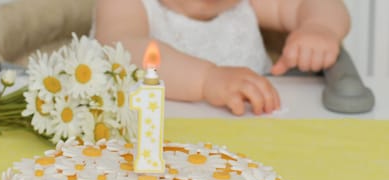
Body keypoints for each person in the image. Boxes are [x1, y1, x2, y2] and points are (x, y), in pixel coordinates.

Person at [94, 0, 351, 115]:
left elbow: (315, 3)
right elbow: (124, 51)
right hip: (161, 144)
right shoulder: (127, 4)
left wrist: (320, 27)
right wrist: (206, 80)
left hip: (252, 140)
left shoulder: (243, 4)